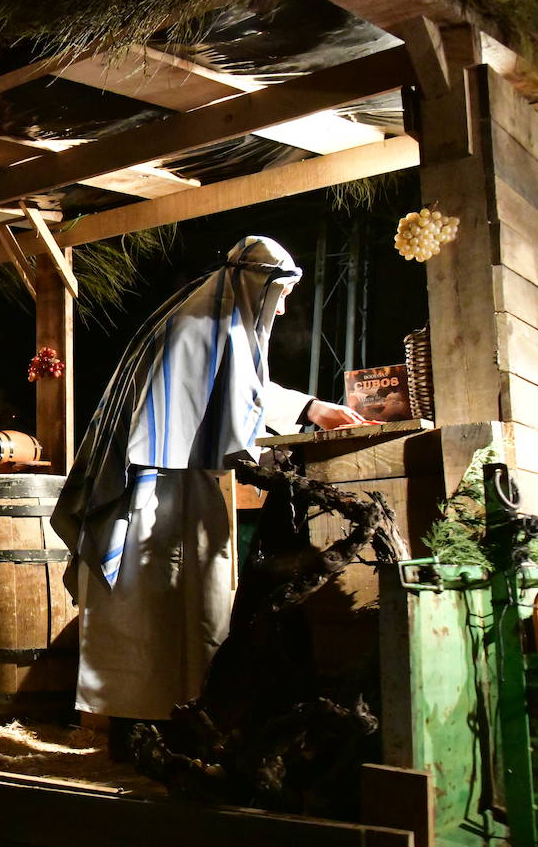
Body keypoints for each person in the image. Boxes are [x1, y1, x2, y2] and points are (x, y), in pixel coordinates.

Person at [50, 237, 369, 752]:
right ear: (254, 284)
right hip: (157, 495)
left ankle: (175, 720)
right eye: (280, 292)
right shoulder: (195, 329)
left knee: (187, 606)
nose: (284, 306)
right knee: (159, 606)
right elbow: (231, 405)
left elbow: (243, 393)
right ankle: (151, 728)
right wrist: (304, 415)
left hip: (183, 488)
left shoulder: (215, 325)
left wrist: (311, 407)